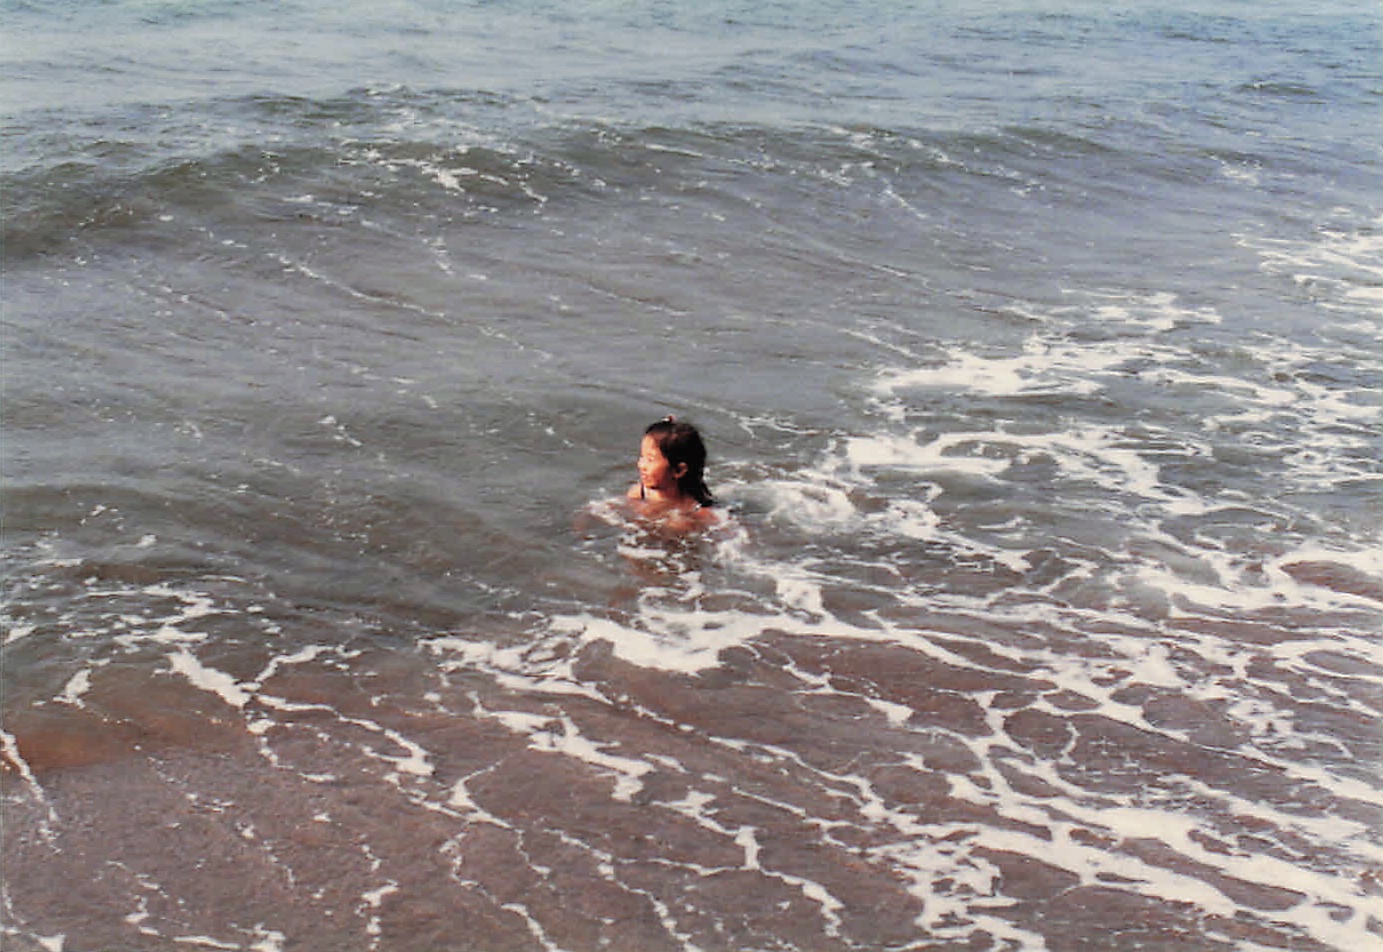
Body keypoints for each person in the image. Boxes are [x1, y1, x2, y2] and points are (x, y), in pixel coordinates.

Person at [627, 416, 719, 530]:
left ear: (679, 470)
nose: (641, 465)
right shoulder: (639, 494)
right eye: (642, 457)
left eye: (650, 460)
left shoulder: (699, 512)